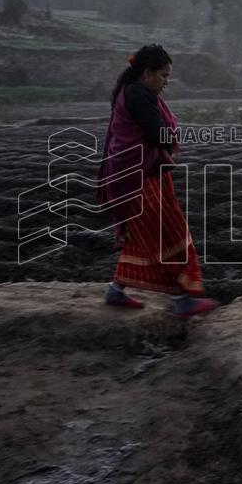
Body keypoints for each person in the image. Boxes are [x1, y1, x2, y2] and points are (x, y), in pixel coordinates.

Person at [95, 44, 219, 319]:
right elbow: (158, 135)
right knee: (169, 235)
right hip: (137, 179)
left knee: (144, 236)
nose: (166, 82)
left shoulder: (133, 92)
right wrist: (175, 134)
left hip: (137, 174)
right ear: (147, 73)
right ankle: (181, 299)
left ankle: (115, 291)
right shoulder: (139, 96)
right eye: (163, 75)